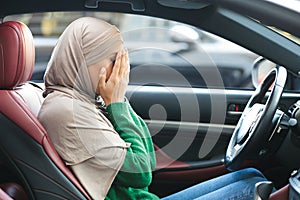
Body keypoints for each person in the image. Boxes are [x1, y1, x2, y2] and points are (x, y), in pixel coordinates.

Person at [38, 17, 271, 200]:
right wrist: (116, 103)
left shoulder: (85, 101)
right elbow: (140, 174)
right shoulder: (67, 112)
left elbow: (147, 155)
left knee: (250, 175)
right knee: (252, 188)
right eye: (112, 60)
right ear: (83, 61)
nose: (121, 69)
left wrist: (118, 100)